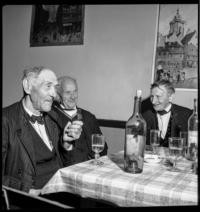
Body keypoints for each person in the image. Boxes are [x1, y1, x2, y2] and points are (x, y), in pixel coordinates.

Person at [2, 66, 83, 194]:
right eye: (47, 86)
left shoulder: (53, 117)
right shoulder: (6, 119)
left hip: (60, 189)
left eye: (55, 88)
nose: (54, 94)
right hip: (30, 197)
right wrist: (27, 191)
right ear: (28, 86)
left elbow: (66, 164)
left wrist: (66, 144)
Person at [49, 76, 108, 166]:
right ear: (59, 93)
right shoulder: (51, 117)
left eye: (75, 91)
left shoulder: (88, 116)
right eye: (68, 92)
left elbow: (103, 148)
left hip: (92, 168)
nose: (73, 96)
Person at [142, 79, 192, 147]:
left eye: (158, 96)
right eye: (152, 97)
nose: (153, 101)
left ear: (170, 97)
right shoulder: (145, 117)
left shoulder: (187, 115)